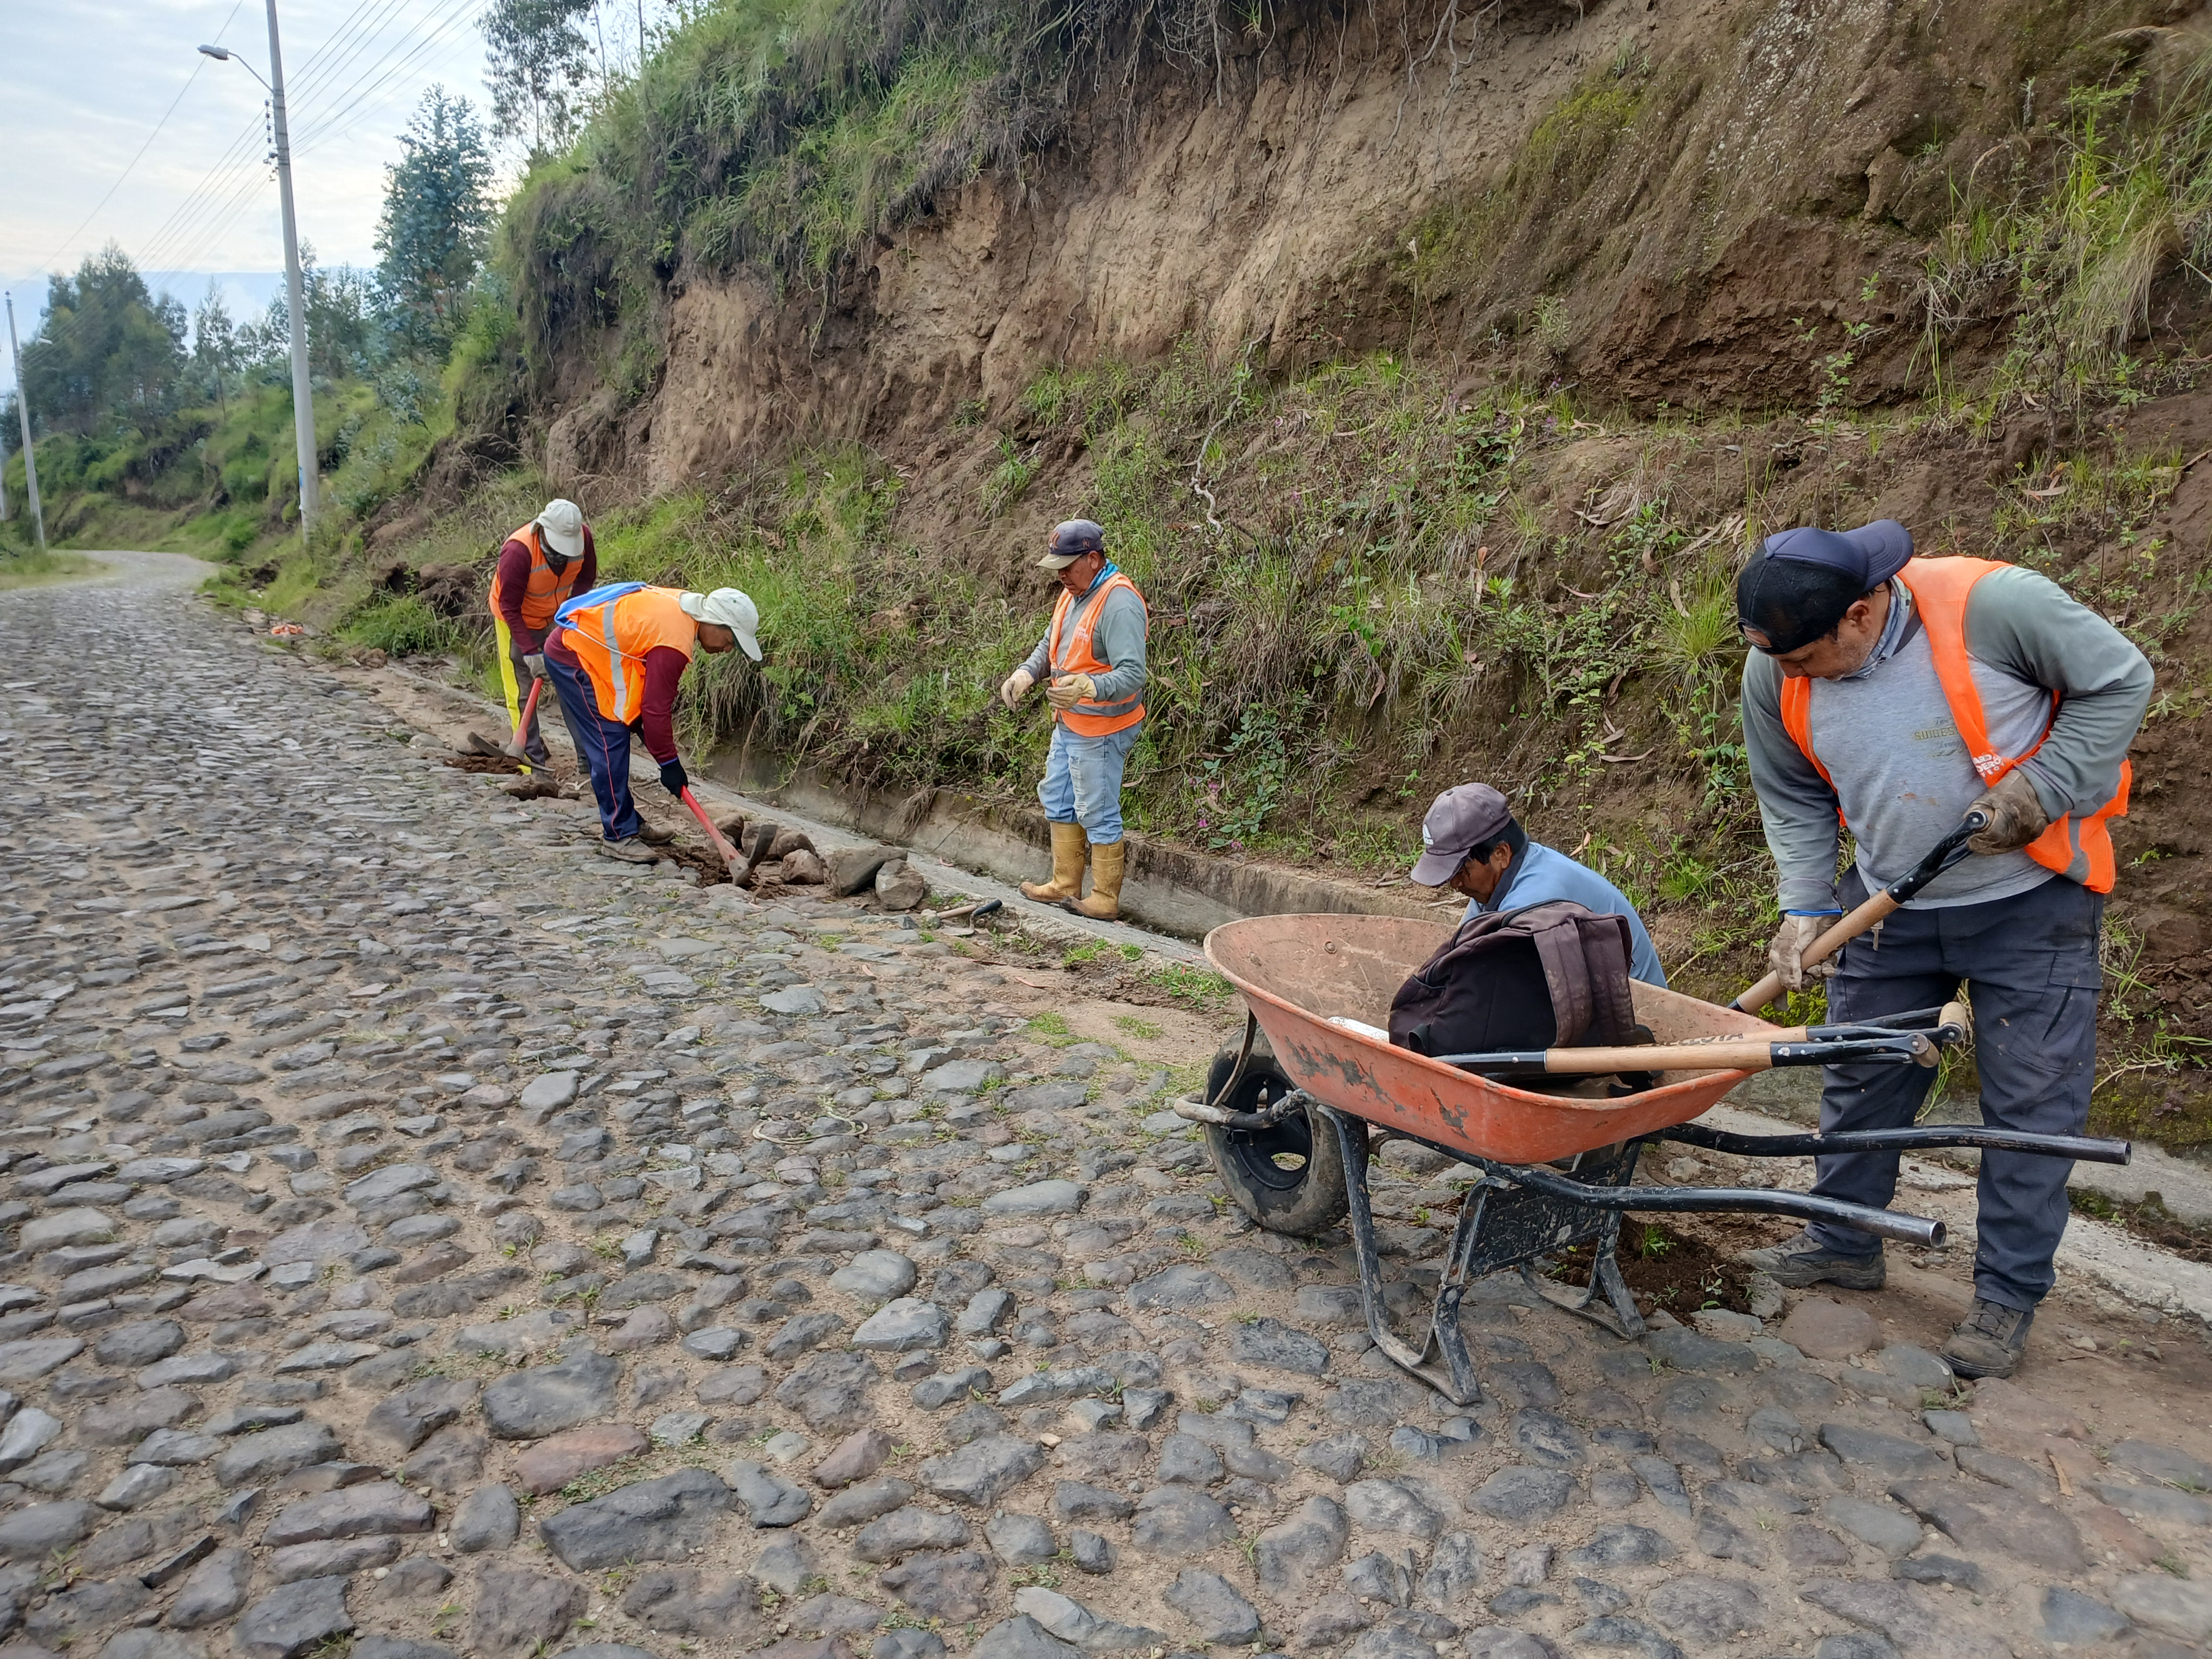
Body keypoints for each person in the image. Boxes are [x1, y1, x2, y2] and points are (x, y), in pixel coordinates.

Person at [1734, 519, 2151, 1379]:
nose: (1790, 676)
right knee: (1861, 1072)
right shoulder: (1775, 662)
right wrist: (1807, 904)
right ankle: (1844, 1240)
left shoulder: (1995, 606)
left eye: (1805, 659)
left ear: (1859, 613)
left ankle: (2006, 1297)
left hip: (2032, 901)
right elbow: (1792, 792)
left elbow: (2121, 681)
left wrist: (2042, 788)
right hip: (1887, 904)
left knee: (2032, 1110)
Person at [544, 581, 761, 863]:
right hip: (574, 655)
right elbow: (655, 709)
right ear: (715, 623)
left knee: (619, 728)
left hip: (596, 657)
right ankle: (618, 835)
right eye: (730, 641)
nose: (728, 650)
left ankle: (628, 822)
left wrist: (655, 742)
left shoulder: (684, 607)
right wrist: (669, 763)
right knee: (609, 738)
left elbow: (645, 680)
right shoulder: (675, 641)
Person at [999, 519, 1148, 921]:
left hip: (1103, 727)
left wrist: (1089, 686)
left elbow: (1133, 674)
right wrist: (1027, 673)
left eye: (1068, 566)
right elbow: (1052, 642)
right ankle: (1065, 883)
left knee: (1097, 809)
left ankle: (1105, 898)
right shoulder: (1075, 592)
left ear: (1094, 559)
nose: (1061, 575)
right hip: (1071, 721)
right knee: (1059, 798)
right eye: (1057, 568)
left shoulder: (1119, 604)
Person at [1409, 783, 1667, 986]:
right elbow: (1458, 954)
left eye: (1461, 870)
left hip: (1636, 1015)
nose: (1454, 883)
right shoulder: (1501, 880)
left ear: (1501, 854)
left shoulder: (1535, 904)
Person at [488, 499, 597, 774]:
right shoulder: (518, 552)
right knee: (523, 691)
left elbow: (585, 579)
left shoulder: (583, 538)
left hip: (558, 615)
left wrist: (569, 615)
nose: (562, 556)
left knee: (572, 680)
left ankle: (589, 760)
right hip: (516, 619)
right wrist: (529, 652)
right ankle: (532, 766)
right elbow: (508, 606)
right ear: (543, 531)